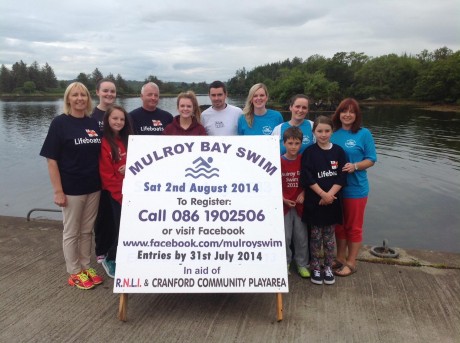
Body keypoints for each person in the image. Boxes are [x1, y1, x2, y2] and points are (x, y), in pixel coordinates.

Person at [39, 82, 104, 290]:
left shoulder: (93, 123)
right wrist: (58, 191)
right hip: (71, 188)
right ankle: (74, 271)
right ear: (68, 99)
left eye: (83, 95)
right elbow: (51, 160)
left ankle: (85, 266)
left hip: (93, 186)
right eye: (75, 95)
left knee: (86, 231)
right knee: (71, 231)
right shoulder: (60, 123)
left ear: (88, 99)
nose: (79, 99)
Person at [330, 98, 377, 277]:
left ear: (356, 115)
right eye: (344, 111)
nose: (347, 114)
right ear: (339, 114)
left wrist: (355, 166)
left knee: (354, 227)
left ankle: (351, 262)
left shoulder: (364, 134)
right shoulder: (333, 133)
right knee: (339, 226)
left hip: (356, 189)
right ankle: (340, 258)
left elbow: (371, 159)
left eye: (351, 111)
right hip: (336, 188)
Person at [300, 115, 347, 285]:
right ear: (314, 132)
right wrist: (322, 194)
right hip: (315, 203)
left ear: (332, 131)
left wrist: (329, 195)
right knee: (315, 237)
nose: (323, 134)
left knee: (329, 237)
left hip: (332, 203)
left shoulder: (339, 151)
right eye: (319, 131)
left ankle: (328, 266)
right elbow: (307, 176)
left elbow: (342, 177)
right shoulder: (309, 152)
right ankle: (315, 266)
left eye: (327, 131)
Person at [99, 105, 133, 278]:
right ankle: (110, 257)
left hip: (131, 193)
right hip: (117, 195)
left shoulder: (128, 140)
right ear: (107, 120)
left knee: (130, 228)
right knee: (120, 228)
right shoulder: (105, 143)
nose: (118, 122)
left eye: (121, 119)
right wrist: (120, 196)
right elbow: (107, 176)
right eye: (115, 118)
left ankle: (126, 258)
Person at [91, 78, 117, 264]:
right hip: (96, 174)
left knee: (114, 214)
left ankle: (113, 249)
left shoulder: (119, 115)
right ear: (98, 92)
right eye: (105, 91)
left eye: (112, 91)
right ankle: (101, 250)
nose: (109, 94)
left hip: (116, 174)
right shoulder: (91, 116)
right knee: (101, 215)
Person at [280, 127, 310, 278]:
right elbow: (272, 184)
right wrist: (282, 199)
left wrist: (304, 193)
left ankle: (302, 264)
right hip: (284, 204)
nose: (293, 146)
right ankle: (285, 261)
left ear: (301, 144)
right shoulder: (278, 161)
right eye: (290, 143)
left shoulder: (303, 160)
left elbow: (309, 181)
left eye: (297, 143)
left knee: (301, 236)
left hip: (300, 204)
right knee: (285, 236)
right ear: (284, 143)